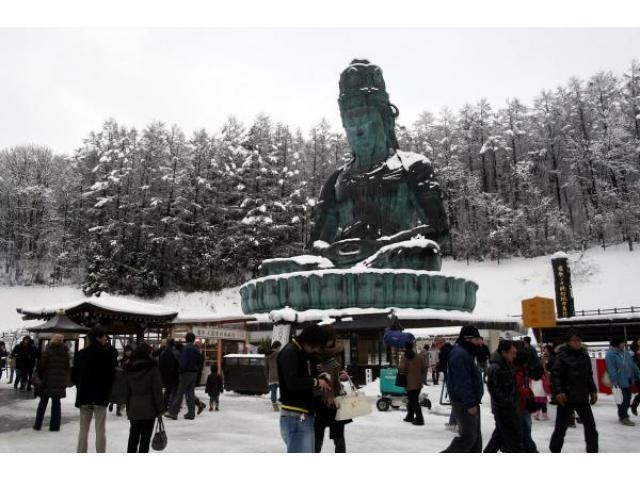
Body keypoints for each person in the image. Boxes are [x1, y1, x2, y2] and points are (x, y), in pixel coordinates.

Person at [277, 323, 332, 453]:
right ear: (310, 341)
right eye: (317, 346)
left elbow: (301, 378)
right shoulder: (291, 352)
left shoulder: (299, 352)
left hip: (301, 415)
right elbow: (292, 382)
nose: (316, 350)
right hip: (297, 416)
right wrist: (315, 381)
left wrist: (319, 377)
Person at [548, 329, 598, 453]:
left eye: (579, 341)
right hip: (566, 398)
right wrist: (559, 392)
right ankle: (555, 450)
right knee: (561, 428)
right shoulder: (561, 356)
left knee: (591, 427)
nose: (577, 343)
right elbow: (555, 375)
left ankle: (593, 450)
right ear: (568, 342)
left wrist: (593, 391)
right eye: (574, 341)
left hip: (582, 397)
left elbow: (589, 376)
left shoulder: (584, 357)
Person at [72, 325, 117, 453]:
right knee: (100, 430)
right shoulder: (107, 354)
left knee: (83, 430)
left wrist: (81, 385)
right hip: (101, 397)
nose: (106, 339)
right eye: (104, 337)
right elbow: (111, 376)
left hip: (84, 396)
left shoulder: (80, 354)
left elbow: (74, 375)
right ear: (98, 337)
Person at [441, 325, 484, 453]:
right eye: (477, 339)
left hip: (470, 401)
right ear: (468, 339)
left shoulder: (465, 352)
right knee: (468, 438)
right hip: (464, 403)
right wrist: (470, 403)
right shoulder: (459, 354)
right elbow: (462, 381)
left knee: (475, 439)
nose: (480, 342)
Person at [311, 325, 352, 453]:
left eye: (327, 339)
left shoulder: (339, 349)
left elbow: (340, 369)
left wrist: (342, 374)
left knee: (338, 434)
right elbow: (310, 374)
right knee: (317, 434)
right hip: (318, 398)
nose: (326, 342)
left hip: (336, 398)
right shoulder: (314, 352)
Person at [483, 339, 523, 453]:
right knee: (514, 441)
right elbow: (496, 392)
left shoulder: (506, 364)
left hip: (510, 408)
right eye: (513, 353)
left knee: (499, 438)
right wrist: (509, 402)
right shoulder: (496, 368)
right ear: (503, 352)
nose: (515, 356)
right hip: (504, 410)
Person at [124, 342, 163, 453]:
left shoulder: (129, 368)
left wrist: (128, 407)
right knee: (145, 439)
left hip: (134, 407)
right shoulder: (152, 368)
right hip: (149, 409)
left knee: (133, 437)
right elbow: (157, 390)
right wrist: (160, 409)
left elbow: (127, 391)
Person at [33, 334, 70, 432]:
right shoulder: (65, 352)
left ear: (52, 340)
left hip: (47, 381)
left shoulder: (48, 351)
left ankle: (38, 425)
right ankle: (55, 427)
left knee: (43, 403)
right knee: (56, 404)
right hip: (59, 382)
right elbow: (67, 367)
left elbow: (42, 366)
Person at [165, 332, 202, 420]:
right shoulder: (196, 349)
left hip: (185, 373)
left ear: (186, 339)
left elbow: (183, 362)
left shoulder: (186, 349)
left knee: (179, 393)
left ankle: (173, 412)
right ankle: (191, 413)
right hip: (194, 373)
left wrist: (180, 370)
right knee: (190, 393)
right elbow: (199, 361)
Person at [605, 336, 640, 426]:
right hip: (618, 381)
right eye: (622, 343)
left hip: (627, 379)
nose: (624, 344)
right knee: (622, 400)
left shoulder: (626, 353)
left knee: (627, 399)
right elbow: (611, 369)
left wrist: (638, 374)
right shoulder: (610, 354)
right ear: (617, 343)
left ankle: (624, 415)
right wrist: (615, 381)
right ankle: (623, 417)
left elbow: (632, 365)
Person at [399, 341, 427, 426]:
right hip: (418, 381)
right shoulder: (419, 357)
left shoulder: (404, 357)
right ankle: (410, 416)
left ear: (405, 347)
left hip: (409, 382)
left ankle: (419, 419)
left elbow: (401, 369)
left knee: (413, 401)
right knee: (412, 399)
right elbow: (423, 368)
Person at [109, 344, 133, 416]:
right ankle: (115, 407)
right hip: (122, 378)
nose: (128, 352)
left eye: (129, 351)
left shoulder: (133, 359)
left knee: (123, 394)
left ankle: (115, 405)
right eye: (126, 351)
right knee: (120, 393)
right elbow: (122, 367)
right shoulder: (123, 359)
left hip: (127, 378)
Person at [438, 338, 456, 430]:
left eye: (437, 344)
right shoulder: (453, 349)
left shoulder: (443, 352)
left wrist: (437, 366)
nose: (437, 346)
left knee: (455, 400)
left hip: (450, 376)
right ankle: (454, 421)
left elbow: (442, 366)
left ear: (441, 343)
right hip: (456, 376)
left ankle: (453, 422)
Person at [159, 338, 180, 411]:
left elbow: (161, 364)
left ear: (167, 344)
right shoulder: (176, 352)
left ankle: (164, 407)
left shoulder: (163, 352)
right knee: (174, 392)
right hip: (174, 375)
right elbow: (178, 364)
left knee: (167, 392)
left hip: (166, 376)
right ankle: (172, 408)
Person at [265, 341, 281, 411]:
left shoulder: (267, 355)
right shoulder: (278, 354)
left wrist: (267, 376)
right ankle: (283, 403)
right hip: (279, 374)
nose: (280, 348)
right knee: (284, 388)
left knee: (273, 391)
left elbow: (266, 367)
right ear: (277, 347)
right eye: (279, 347)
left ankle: (275, 406)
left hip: (271, 375)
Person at [630, 339, 640, 416]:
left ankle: (634, 406)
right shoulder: (632, 353)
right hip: (637, 376)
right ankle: (634, 406)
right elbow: (632, 365)